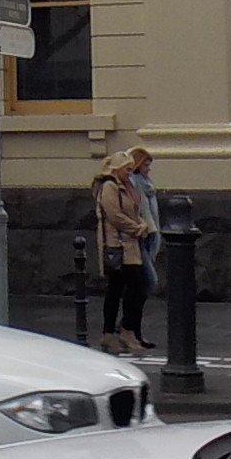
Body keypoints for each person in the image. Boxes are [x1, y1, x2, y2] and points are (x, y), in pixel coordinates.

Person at [93, 150, 154, 356]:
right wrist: (137, 227)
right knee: (132, 287)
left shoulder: (125, 187)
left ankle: (113, 333)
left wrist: (141, 223)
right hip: (118, 247)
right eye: (127, 169)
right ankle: (120, 331)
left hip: (130, 246)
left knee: (120, 288)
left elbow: (134, 210)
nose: (130, 172)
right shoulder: (110, 187)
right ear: (117, 169)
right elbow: (115, 216)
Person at [128, 147, 163, 297]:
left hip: (152, 232)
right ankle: (131, 314)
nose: (149, 169)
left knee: (143, 279)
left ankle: (133, 314)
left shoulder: (148, 184)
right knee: (150, 280)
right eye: (145, 165)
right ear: (137, 165)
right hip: (142, 234)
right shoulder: (133, 183)